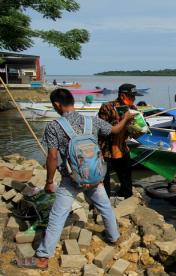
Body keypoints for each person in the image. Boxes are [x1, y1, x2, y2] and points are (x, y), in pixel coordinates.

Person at [33, 88, 134, 269]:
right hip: (95, 177)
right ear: (72, 101)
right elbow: (114, 130)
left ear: (57, 104)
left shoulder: (54, 126)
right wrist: (126, 119)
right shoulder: (92, 120)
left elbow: (52, 157)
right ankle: (114, 237)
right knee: (105, 207)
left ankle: (42, 257)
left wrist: (49, 182)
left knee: (57, 216)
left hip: (70, 180)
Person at [98, 83, 143, 198]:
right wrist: (124, 119)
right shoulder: (107, 107)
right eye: (131, 97)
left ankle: (126, 195)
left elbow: (135, 134)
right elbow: (105, 130)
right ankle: (104, 201)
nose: (134, 99)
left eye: (134, 97)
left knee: (126, 176)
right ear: (123, 96)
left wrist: (141, 127)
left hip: (121, 146)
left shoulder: (133, 109)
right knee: (105, 178)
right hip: (105, 147)